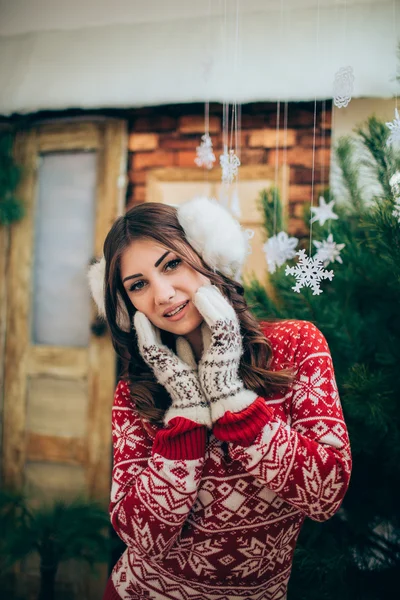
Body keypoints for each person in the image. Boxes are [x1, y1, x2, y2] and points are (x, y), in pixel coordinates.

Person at [88, 197, 352, 600]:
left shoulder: (297, 345)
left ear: (208, 255)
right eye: (138, 285)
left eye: (171, 264)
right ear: (127, 307)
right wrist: (186, 419)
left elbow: (326, 494)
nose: (162, 295)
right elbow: (142, 537)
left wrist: (232, 399)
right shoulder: (134, 392)